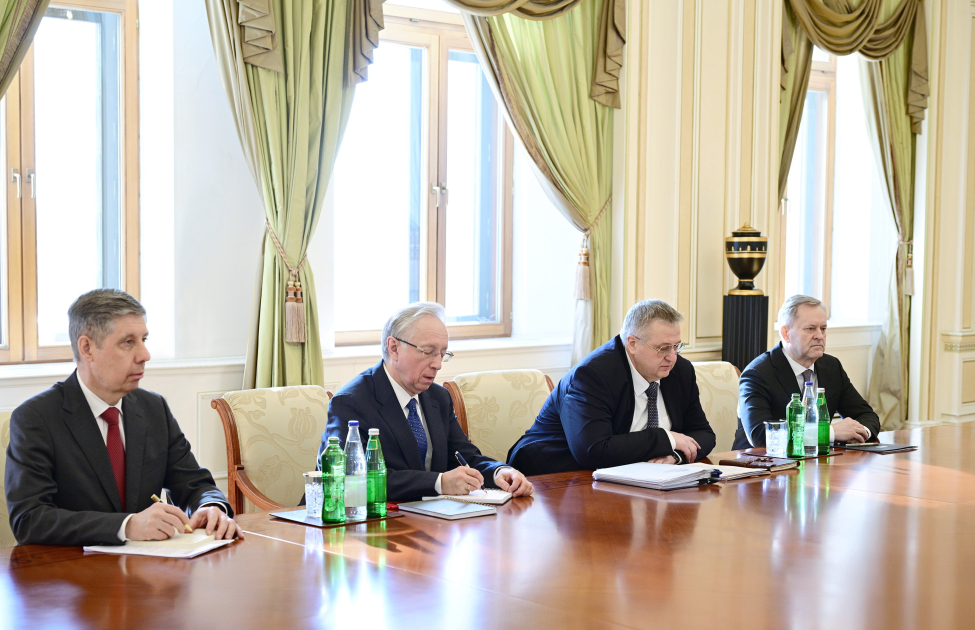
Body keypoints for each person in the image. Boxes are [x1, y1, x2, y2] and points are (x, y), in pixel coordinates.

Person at [5, 289, 241, 546]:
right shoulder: (36, 418)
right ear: (87, 348)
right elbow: (29, 519)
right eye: (128, 342)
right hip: (72, 566)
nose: (145, 355)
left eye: (144, 339)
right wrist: (126, 526)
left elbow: (193, 483)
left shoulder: (153, 408)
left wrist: (211, 506)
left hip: (149, 564)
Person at [323, 302, 534, 502]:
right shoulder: (351, 403)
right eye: (428, 352)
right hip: (374, 520)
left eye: (443, 353)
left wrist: (499, 471)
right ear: (394, 348)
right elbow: (350, 478)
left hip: (435, 518)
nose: (438, 364)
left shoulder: (438, 397)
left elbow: (463, 456)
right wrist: (439, 483)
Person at [507, 299, 716, 476]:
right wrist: (667, 439)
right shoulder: (593, 374)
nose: (672, 357)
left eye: (676, 346)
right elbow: (593, 450)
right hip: (553, 476)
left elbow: (704, 433)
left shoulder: (679, 371)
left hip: (631, 477)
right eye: (663, 348)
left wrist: (674, 455)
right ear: (632, 344)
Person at [732, 295, 880, 449]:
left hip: (817, 459)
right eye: (810, 329)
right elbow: (761, 435)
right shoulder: (757, 374)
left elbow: (866, 415)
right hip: (759, 461)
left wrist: (860, 433)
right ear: (785, 333)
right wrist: (829, 433)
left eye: (823, 329)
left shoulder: (831, 367)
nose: (820, 336)